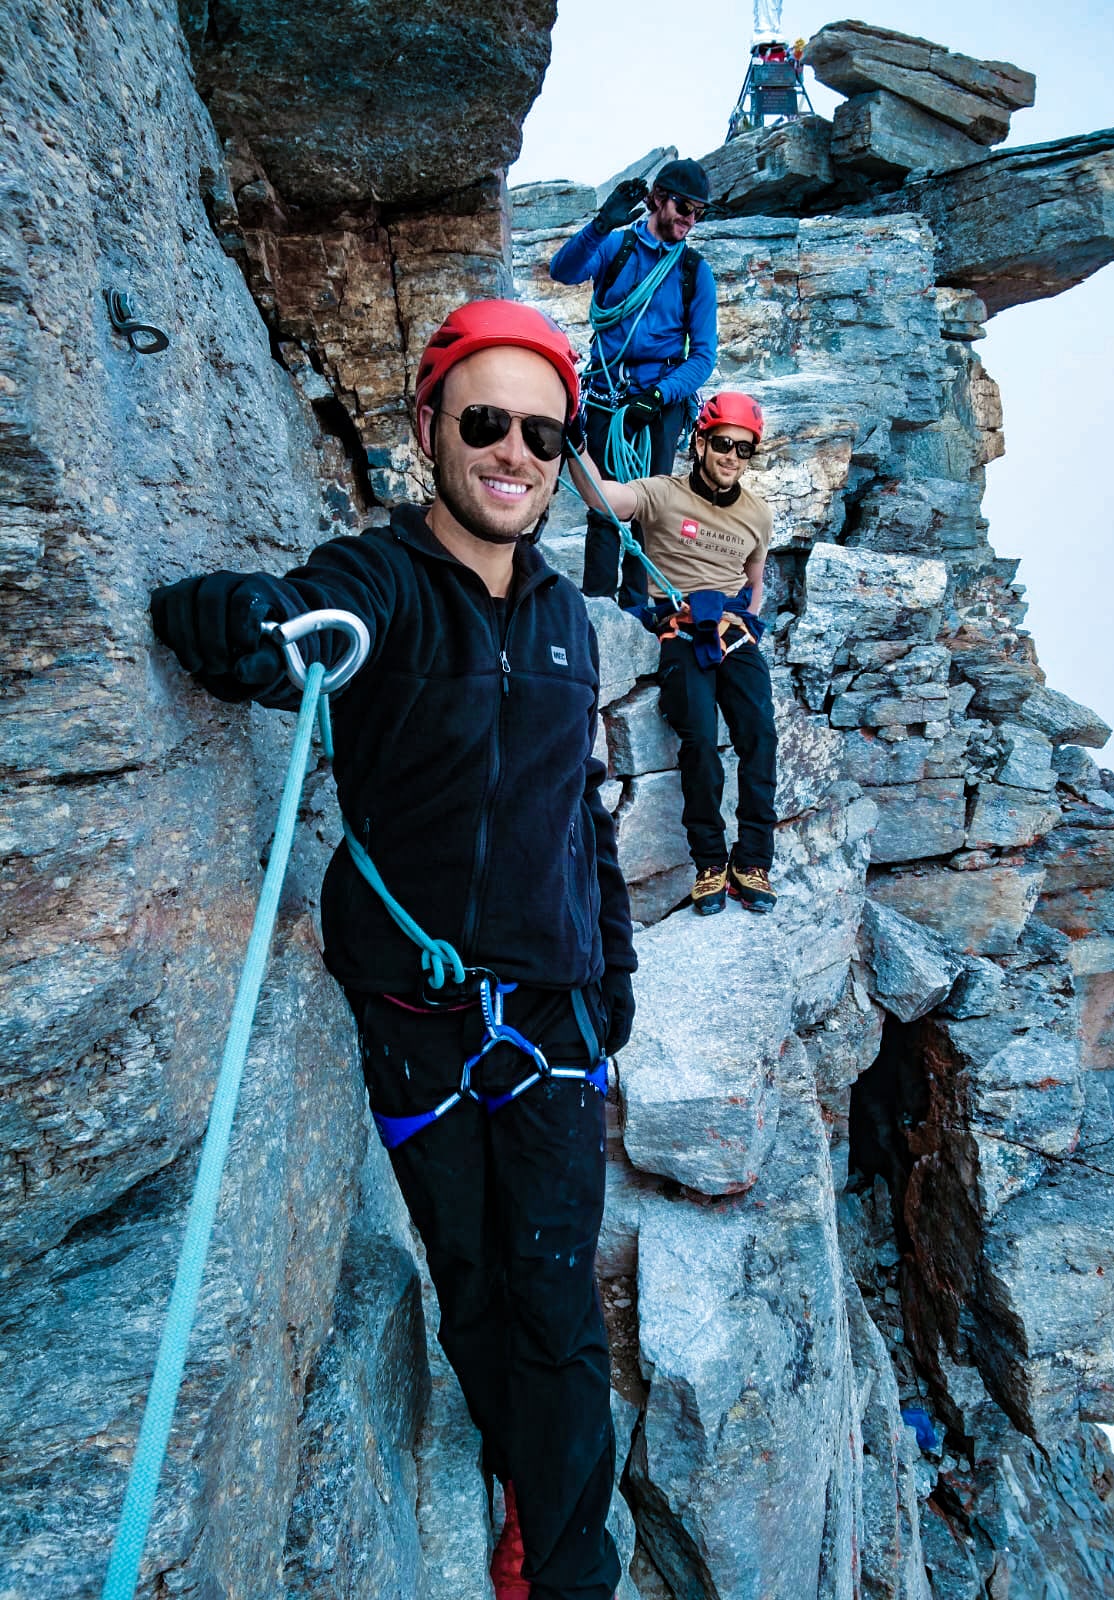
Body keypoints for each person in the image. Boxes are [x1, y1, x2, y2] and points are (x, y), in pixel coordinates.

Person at [149, 299, 634, 1600]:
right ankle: (518, 1468)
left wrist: (613, 989)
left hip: (547, 1025)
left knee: (561, 1311)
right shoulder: (381, 587)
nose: (515, 454)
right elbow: (278, 622)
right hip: (414, 1026)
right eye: (486, 421)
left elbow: (576, 808)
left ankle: (566, 1564)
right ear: (430, 427)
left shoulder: (565, 622)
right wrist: (255, 624)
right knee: (475, 1291)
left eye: (543, 433)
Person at [568, 392, 779, 917]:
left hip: (733, 635)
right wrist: (575, 442)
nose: (732, 457)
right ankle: (710, 863)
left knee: (759, 737)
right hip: (682, 634)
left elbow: (755, 585)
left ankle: (752, 862)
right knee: (700, 742)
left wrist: (747, 618)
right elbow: (603, 500)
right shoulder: (663, 494)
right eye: (724, 444)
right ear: (701, 443)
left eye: (744, 450)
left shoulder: (757, 514)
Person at [548, 158, 718, 607]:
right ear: (658, 199)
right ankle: (599, 607)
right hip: (606, 394)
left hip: (659, 400)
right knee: (604, 508)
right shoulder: (616, 248)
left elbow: (703, 356)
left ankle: (640, 609)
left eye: (699, 211)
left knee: (650, 506)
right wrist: (600, 224)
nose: (689, 219)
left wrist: (661, 394)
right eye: (683, 206)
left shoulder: (693, 272)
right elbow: (561, 271)